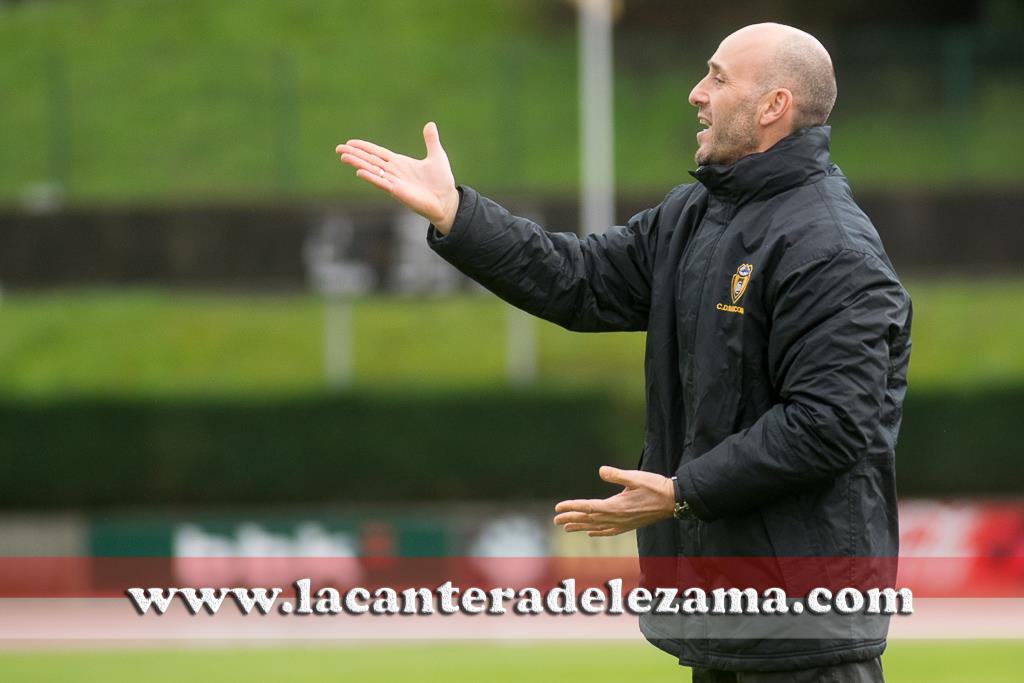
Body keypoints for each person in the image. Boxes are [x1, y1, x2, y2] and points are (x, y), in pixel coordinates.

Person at [336, 22, 911, 683]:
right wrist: (457, 215)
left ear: (774, 106)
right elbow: (577, 280)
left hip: (805, 632)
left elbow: (830, 422)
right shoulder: (695, 215)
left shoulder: (832, 248)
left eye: (719, 78)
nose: (697, 93)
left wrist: (683, 491)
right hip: (725, 621)